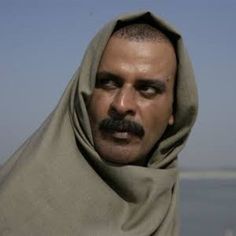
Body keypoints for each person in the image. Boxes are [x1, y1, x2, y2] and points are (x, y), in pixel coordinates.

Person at [0, 11, 198, 235]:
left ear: (176, 108)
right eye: (108, 83)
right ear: (84, 93)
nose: (122, 105)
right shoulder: (16, 208)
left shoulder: (161, 196)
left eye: (147, 89)